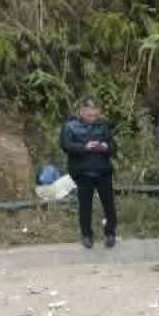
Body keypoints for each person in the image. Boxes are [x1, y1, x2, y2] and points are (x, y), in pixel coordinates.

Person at [60, 98, 117, 249]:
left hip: (103, 170)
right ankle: (86, 235)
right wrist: (85, 147)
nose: (93, 118)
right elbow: (66, 146)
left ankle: (110, 232)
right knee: (85, 205)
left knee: (109, 204)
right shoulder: (70, 127)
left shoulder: (103, 126)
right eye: (90, 115)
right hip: (83, 171)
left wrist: (105, 147)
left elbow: (113, 146)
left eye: (95, 115)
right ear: (82, 111)